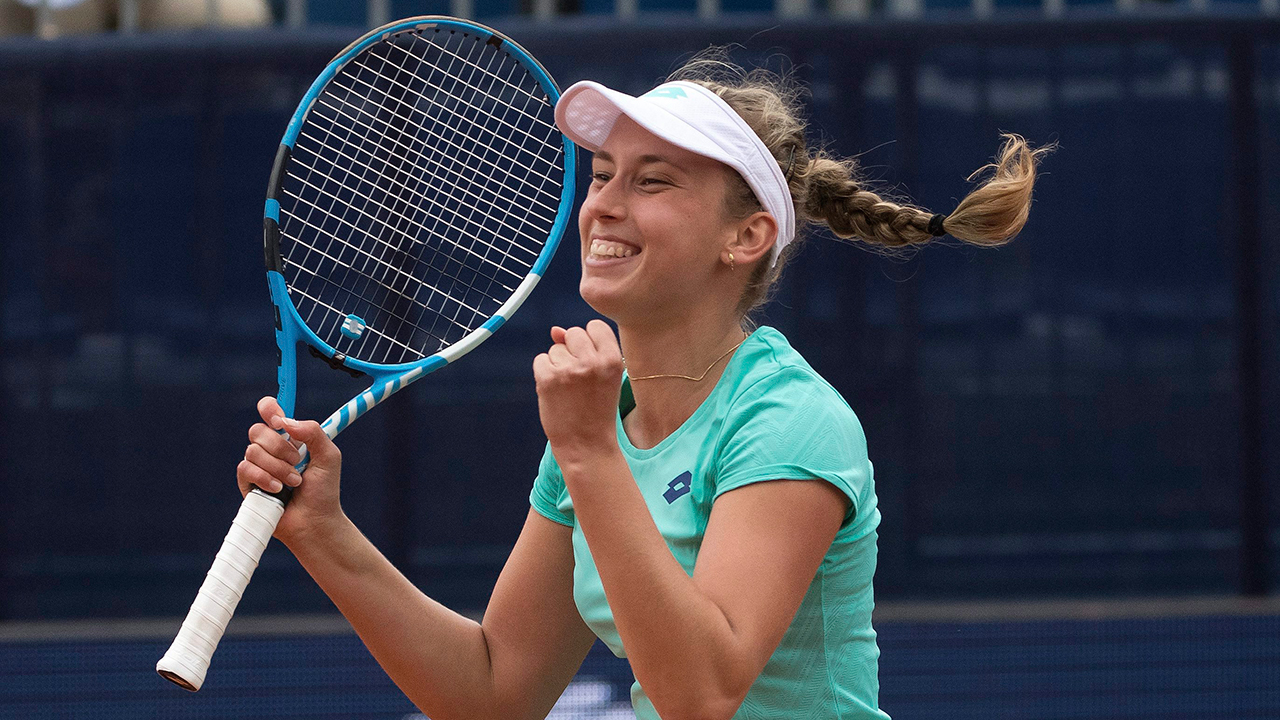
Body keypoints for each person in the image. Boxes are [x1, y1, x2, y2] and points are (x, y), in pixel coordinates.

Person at [238, 51, 1051, 720]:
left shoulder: (791, 420)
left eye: (652, 182)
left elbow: (702, 695)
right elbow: (493, 692)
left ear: (746, 236)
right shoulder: (601, 423)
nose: (604, 207)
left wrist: (590, 452)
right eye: (601, 176)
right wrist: (325, 533)